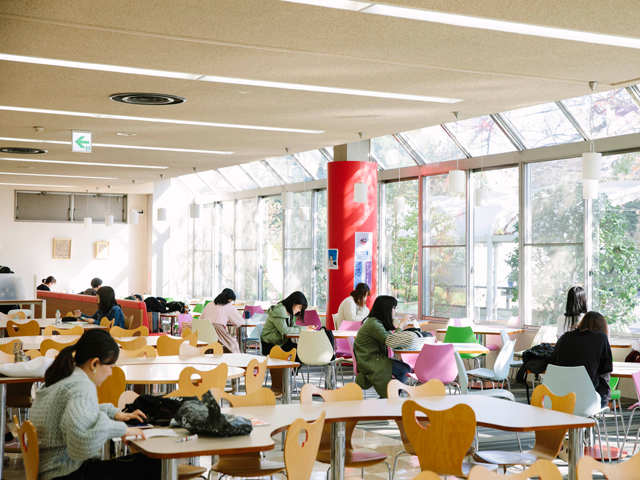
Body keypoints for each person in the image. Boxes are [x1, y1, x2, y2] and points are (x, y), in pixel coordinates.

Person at [29, 329, 159, 480]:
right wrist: (121, 429)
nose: (110, 373)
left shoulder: (65, 377)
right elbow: (82, 444)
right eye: (110, 367)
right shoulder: (82, 387)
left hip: (50, 470)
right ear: (95, 363)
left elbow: (77, 414)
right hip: (66, 473)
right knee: (155, 465)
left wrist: (113, 414)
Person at [353, 295, 414, 398]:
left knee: (405, 368)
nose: (394, 311)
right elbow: (392, 341)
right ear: (386, 309)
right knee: (404, 370)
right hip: (370, 361)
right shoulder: (373, 324)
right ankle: (390, 396)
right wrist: (400, 326)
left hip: (372, 358)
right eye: (393, 308)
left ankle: (391, 395)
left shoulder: (373, 322)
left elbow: (388, 338)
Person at [550, 311, 613, 407]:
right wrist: (604, 400)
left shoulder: (564, 337)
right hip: (587, 400)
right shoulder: (601, 338)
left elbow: (553, 364)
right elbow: (606, 369)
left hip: (559, 398)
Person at [261, 291, 311, 360]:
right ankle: (292, 370)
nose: (299, 311)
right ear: (293, 303)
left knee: (302, 351)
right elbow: (284, 330)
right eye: (299, 307)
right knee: (299, 353)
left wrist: (306, 328)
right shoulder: (280, 310)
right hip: (270, 345)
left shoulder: (289, 312)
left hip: (281, 343)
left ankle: (292, 370)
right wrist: (304, 329)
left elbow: (292, 327)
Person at [200, 288, 244, 353]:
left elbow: (201, 319)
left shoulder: (209, 304)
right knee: (233, 343)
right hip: (217, 332)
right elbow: (240, 321)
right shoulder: (229, 306)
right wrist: (229, 321)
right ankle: (235, 360)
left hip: (204, 332)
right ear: (229, 300)